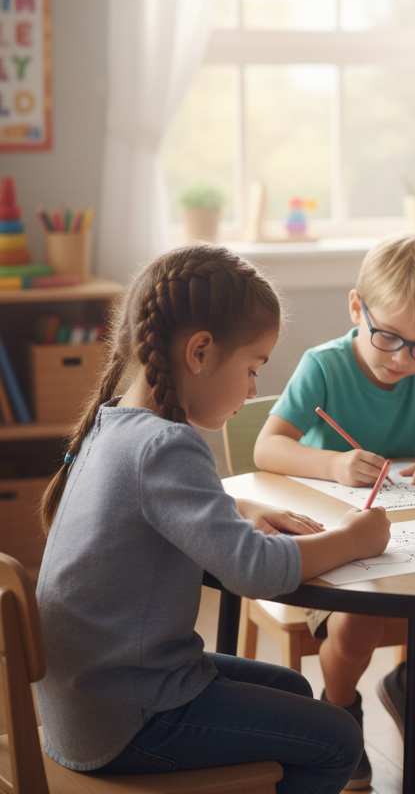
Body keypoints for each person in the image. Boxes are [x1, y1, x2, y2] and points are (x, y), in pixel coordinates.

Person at [34, 246, 391, 794]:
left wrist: (240, 508)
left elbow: (155, 510)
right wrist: (353, 539)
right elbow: (257, 571)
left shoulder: (114, 425)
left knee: (294, 689)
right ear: (200, 351)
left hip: (84, 706)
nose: (252, 391)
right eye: (251, 369)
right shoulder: (166, 444)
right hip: (128, 718)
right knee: (337, 738)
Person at [254, 232, 415, 790]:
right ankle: (341, 709)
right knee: (359, 616)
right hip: (335, 546)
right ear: (356, 308)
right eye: (389, 337)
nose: (404, 359)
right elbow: (267, 447)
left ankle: (414, 685)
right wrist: (334, 465)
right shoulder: (323, 366)